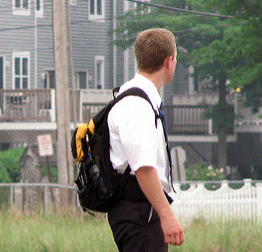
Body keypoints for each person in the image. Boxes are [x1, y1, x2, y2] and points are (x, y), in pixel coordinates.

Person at [106, 28, 184, 251]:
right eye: (176, 59)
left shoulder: (136, 98)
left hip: (139, 213)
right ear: (169, 61)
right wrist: (167, 216)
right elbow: (144, 168)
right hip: (140, 216)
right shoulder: (137, 106)